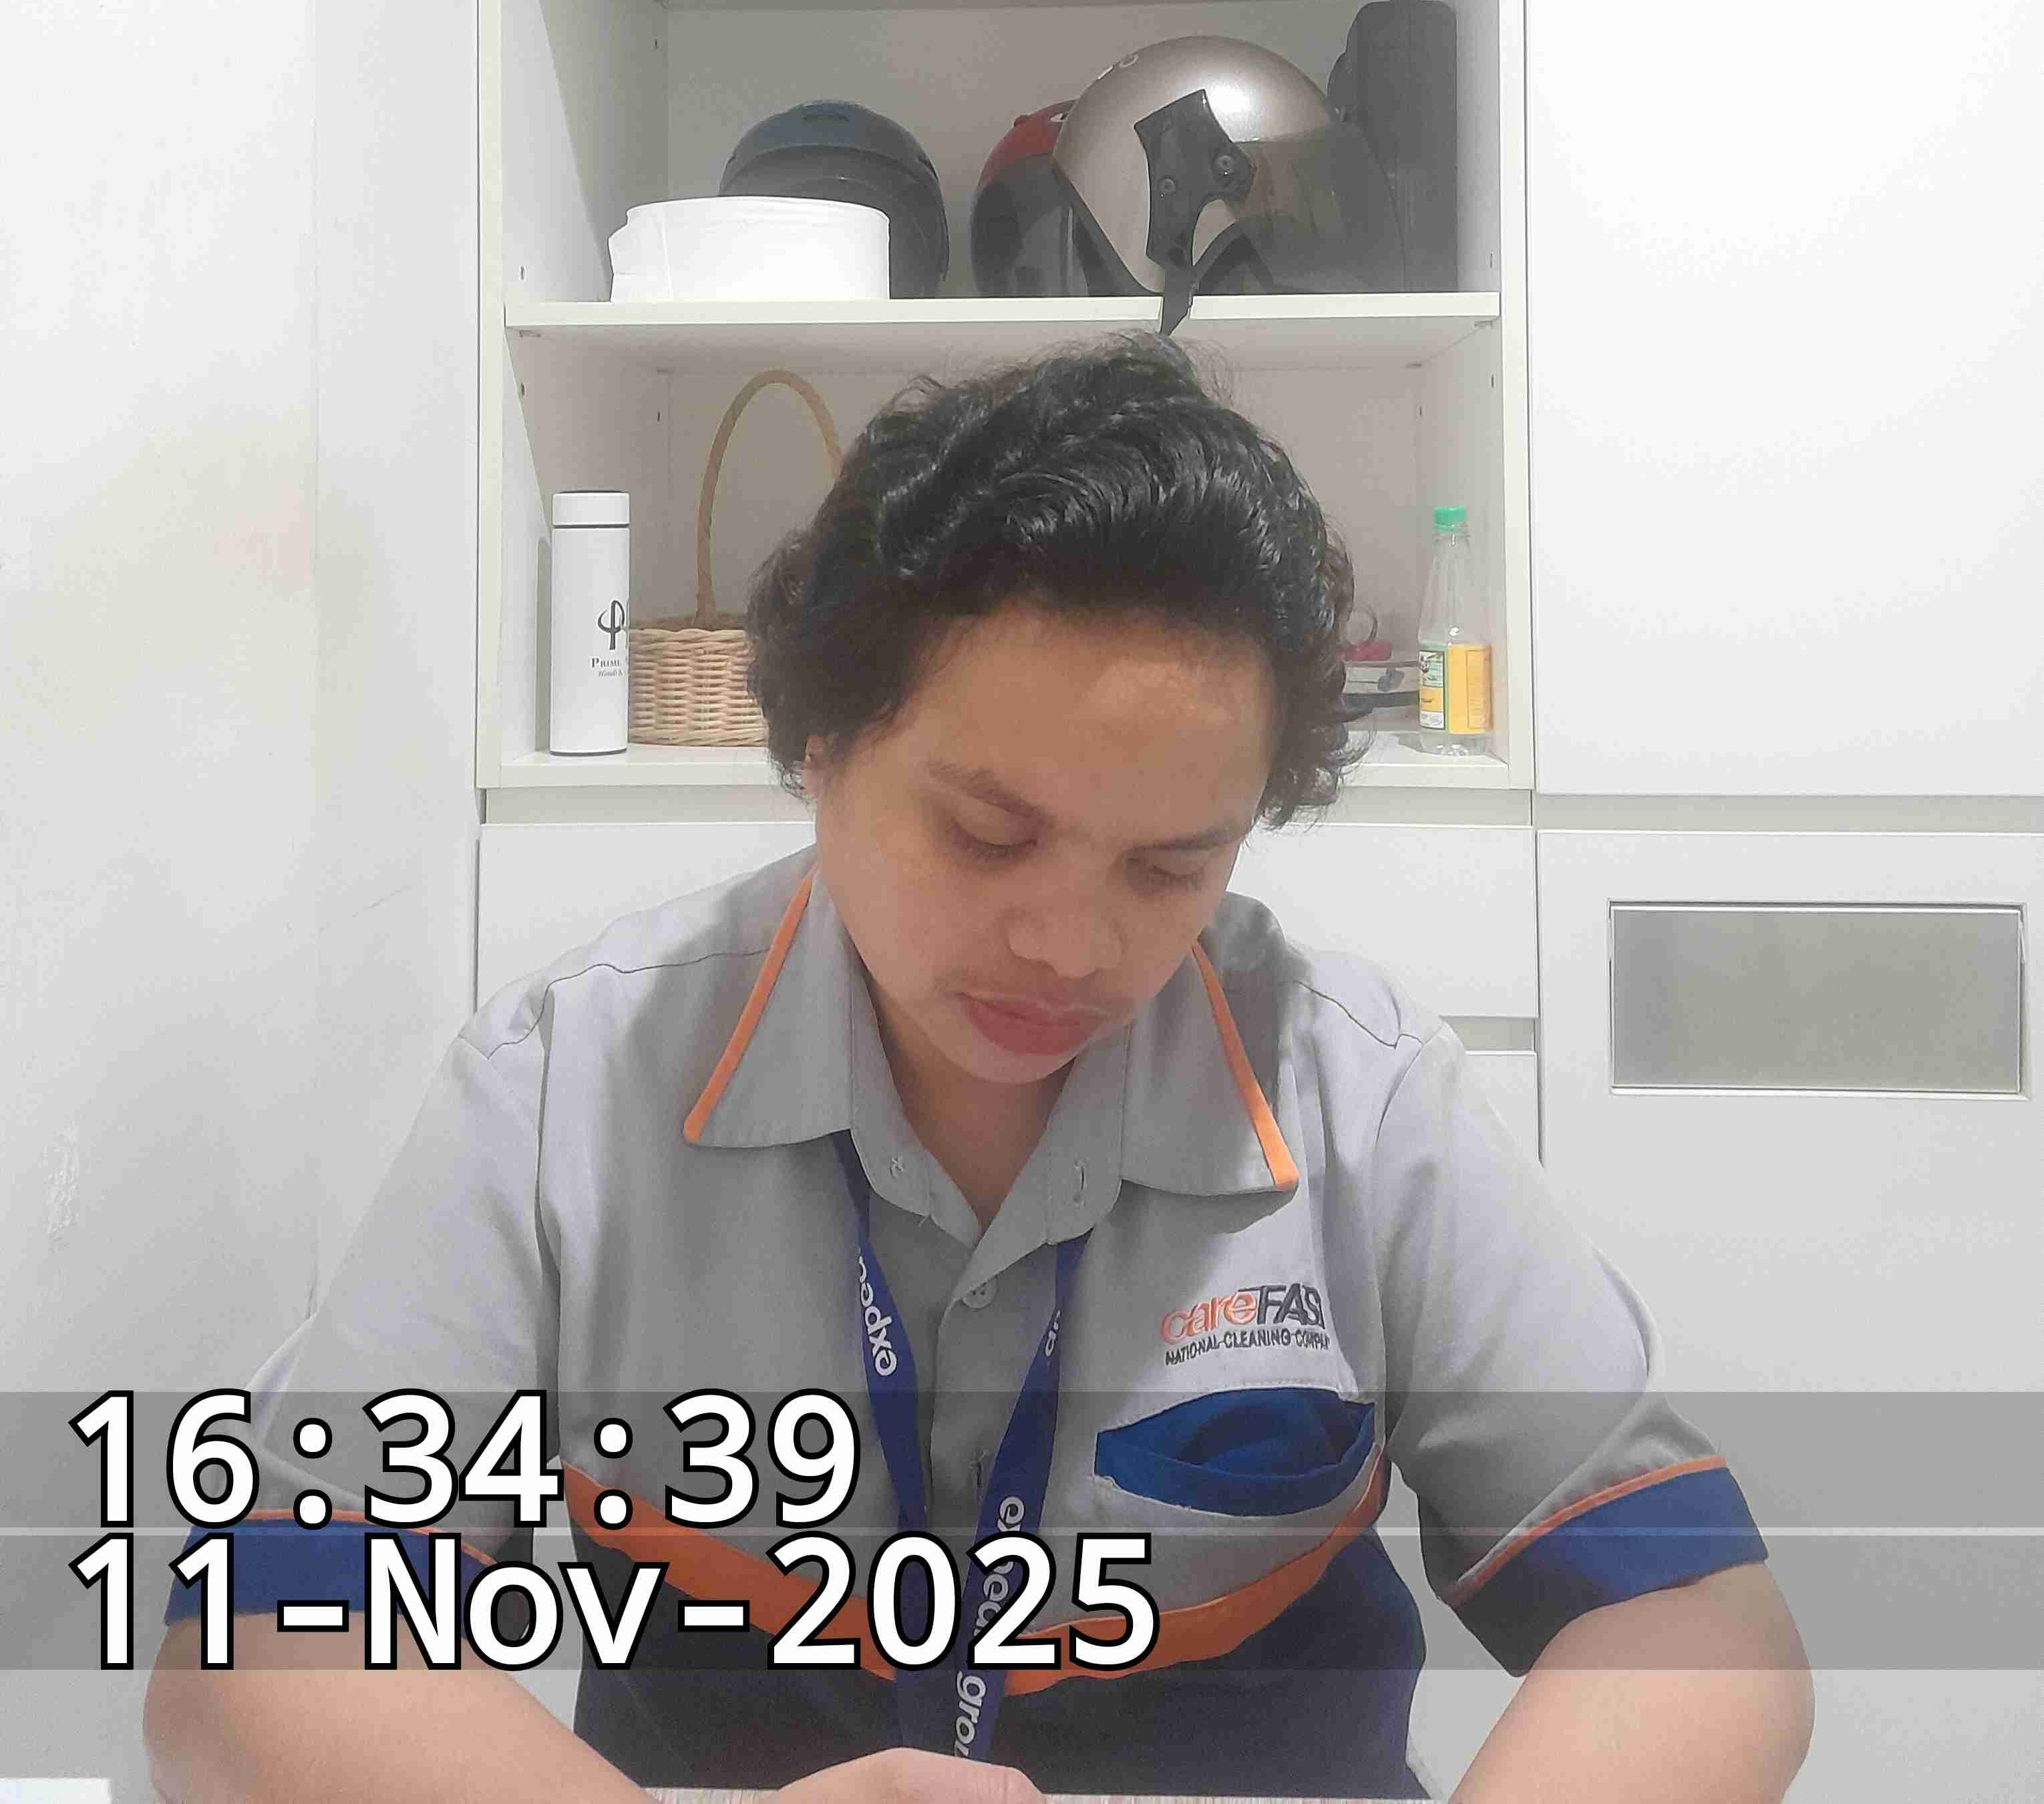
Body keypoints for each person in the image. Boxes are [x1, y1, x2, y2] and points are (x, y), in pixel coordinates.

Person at [146, 337, 1813, 1804]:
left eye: (1168, 866)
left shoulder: (1360, 1098)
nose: (1070, 945)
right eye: (986, 835)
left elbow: (1694, 1621)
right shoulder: (565, 1087)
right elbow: (256, 1656)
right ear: (817, 750)